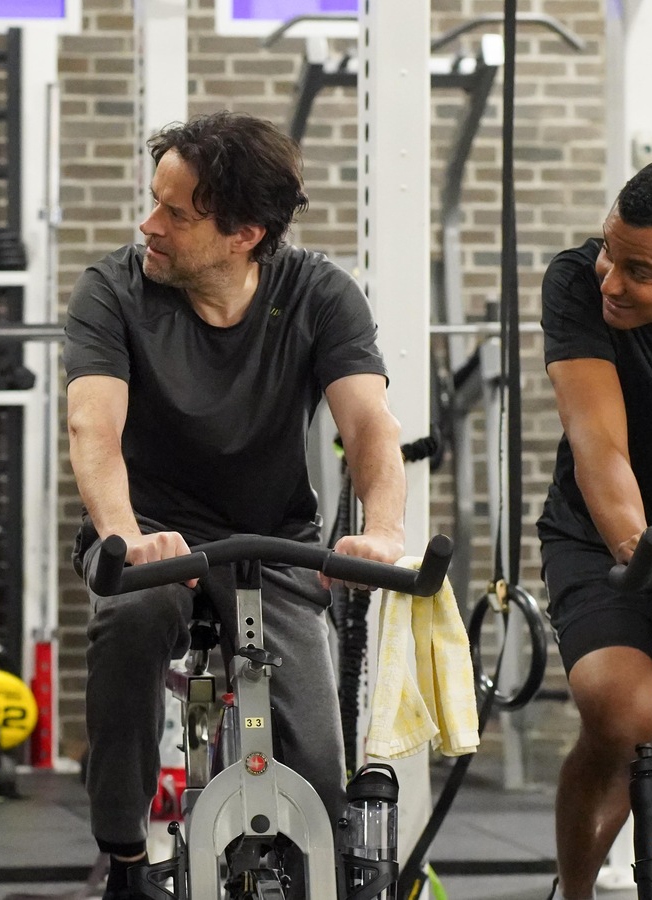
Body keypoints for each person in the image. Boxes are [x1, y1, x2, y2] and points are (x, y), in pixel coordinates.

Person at [63, 110, 408, 899]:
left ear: (244, 233)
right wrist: (123, 536)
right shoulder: (113, 289)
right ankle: (123, 854)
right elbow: (92, 426)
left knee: (318, 777)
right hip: (149, 533)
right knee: (134, 617)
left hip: (272, 539)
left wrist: (382, 533)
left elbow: (371, 428)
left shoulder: (319, 293)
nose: (148, 224)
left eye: (175, 214)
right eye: (153, 201)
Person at [538, 157, 652, 900]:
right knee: (622, 714)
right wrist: (636, 544)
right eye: (611, 249)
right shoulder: (577, 281)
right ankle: (573, 893)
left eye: (638, 270)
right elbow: (596, 441)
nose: (610, 280)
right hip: (604, 533)